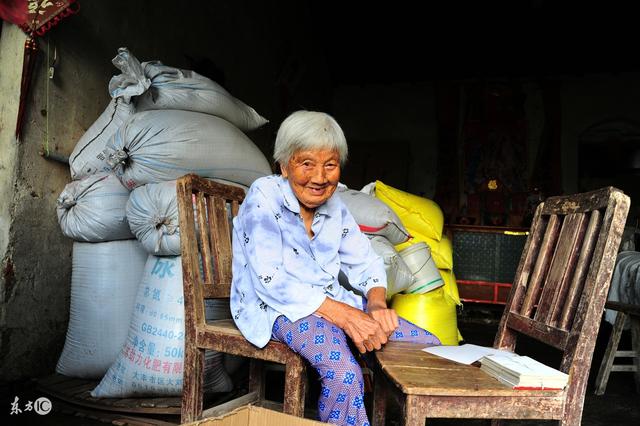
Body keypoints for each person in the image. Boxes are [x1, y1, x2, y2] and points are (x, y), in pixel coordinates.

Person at [230, 110, 441, 425]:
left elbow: (365, 260)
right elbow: (270, 280)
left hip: (332, 299)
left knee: (426, 347)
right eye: (307, 164)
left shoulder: (335, 207)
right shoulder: (264, 197)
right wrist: (346, 317)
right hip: (276, 307)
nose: (319, 177)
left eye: (330, 165)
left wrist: (376, 303)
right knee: (343, 371)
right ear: (284, 165)